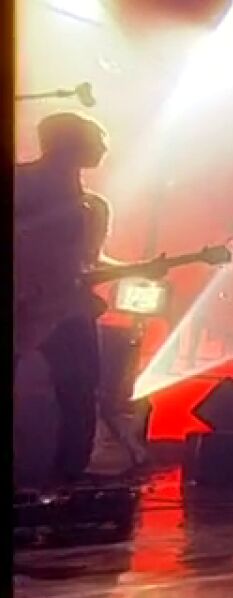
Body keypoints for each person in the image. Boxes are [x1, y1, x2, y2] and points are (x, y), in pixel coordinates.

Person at [15, 112, 160, 488]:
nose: (103, 148)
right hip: (24, 305)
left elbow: (90, 261)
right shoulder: (21, 183)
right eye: (96, 140)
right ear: (66, 145)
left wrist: (138, 269)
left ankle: (67, 479)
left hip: (70, 312)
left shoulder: (94, 207)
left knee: (80, 395)